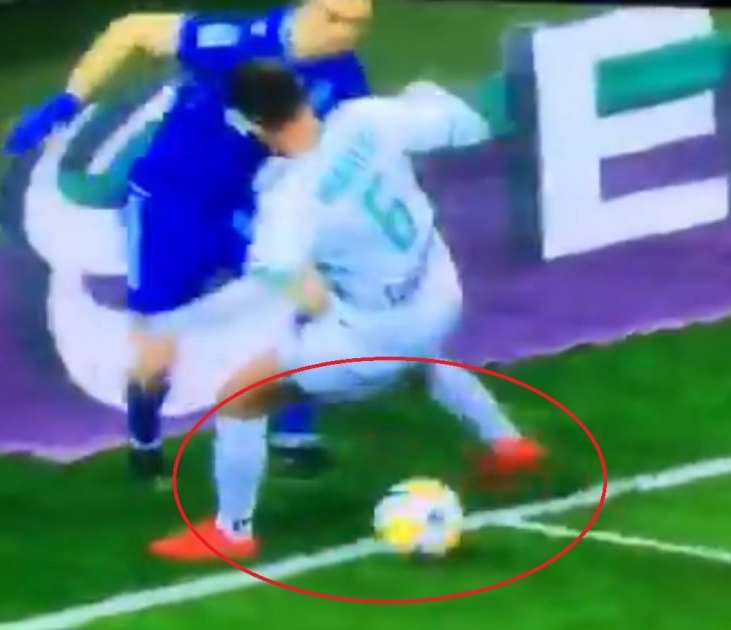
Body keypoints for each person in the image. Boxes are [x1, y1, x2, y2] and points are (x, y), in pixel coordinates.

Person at [150, 60, 546, 560]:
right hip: (438, 291)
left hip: (374, 333)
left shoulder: (289, 197)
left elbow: (278, 276)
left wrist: (304, 295)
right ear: (302, 96)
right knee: (420, 353)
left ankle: (233, 532)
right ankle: (509, 445)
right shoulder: (366, 119)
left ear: (251, 125)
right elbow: (469, 124)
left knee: (241, 396)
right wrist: (425, 94)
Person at [3, 1, 374, 482]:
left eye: (359, 23)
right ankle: (145, 443)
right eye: (337, 19)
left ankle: (293, 436)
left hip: (239, 206)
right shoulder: (239, 41)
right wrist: (67, 102)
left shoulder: (343, 76)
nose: (346, 33)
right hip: (169, 208)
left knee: (312, 299)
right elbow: (132, 30)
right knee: (158, 344)